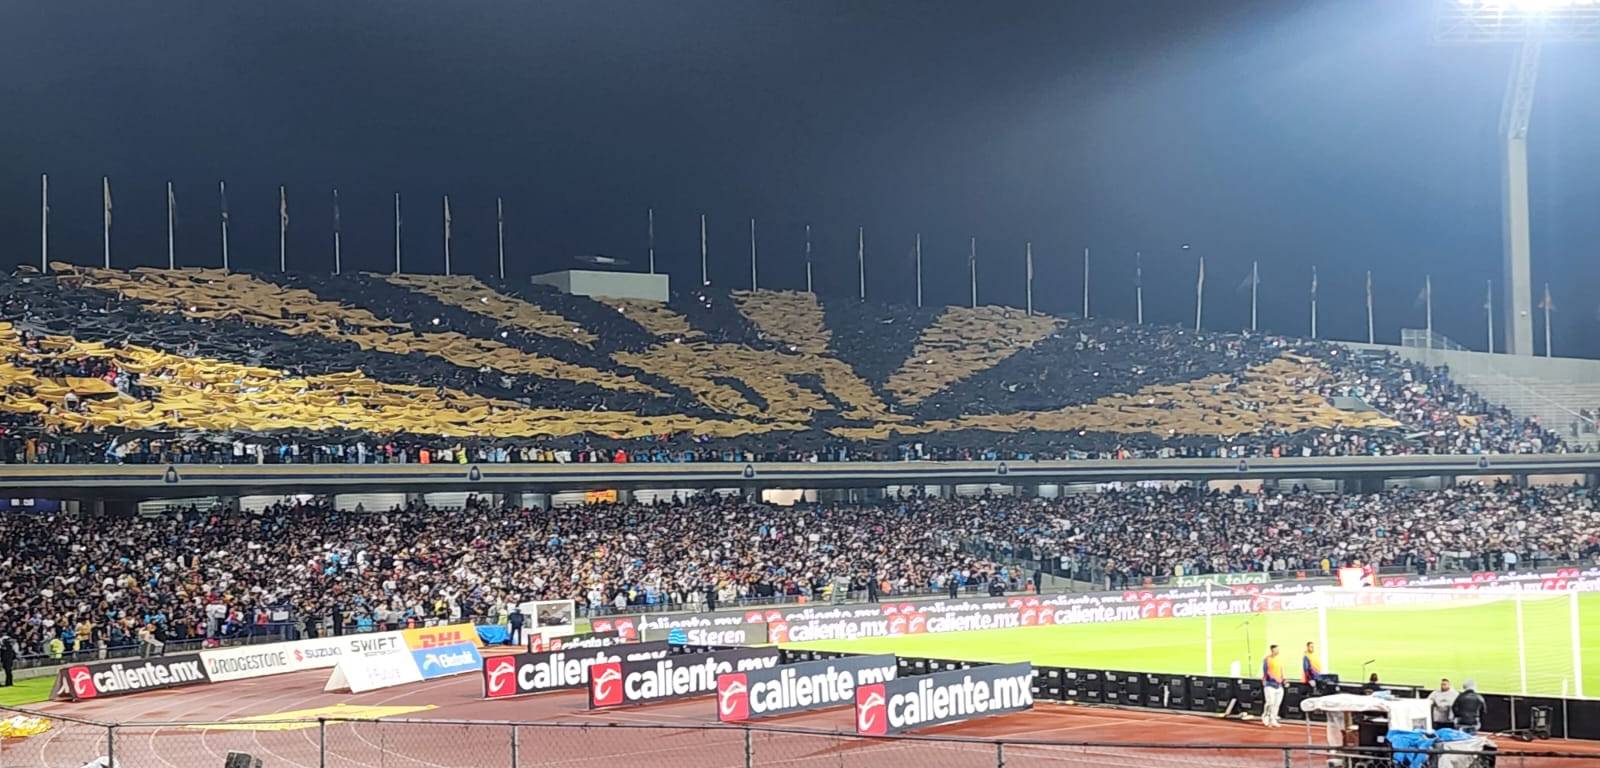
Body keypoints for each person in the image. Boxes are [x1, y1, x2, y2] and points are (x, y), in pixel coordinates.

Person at [1261, 644, 1286, 728]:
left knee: (1276, 704)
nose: (1278, 651)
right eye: (1276, 649)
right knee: (1270, 702)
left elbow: (1281, 670)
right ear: (1272, 650)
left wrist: (1284, 679)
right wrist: (1275, 679)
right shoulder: (1267, 659)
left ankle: (1273, 719)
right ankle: (1266, 717)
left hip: (1279, 685)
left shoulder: (1279, 659)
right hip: (1270, 685)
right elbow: (1267, 672)